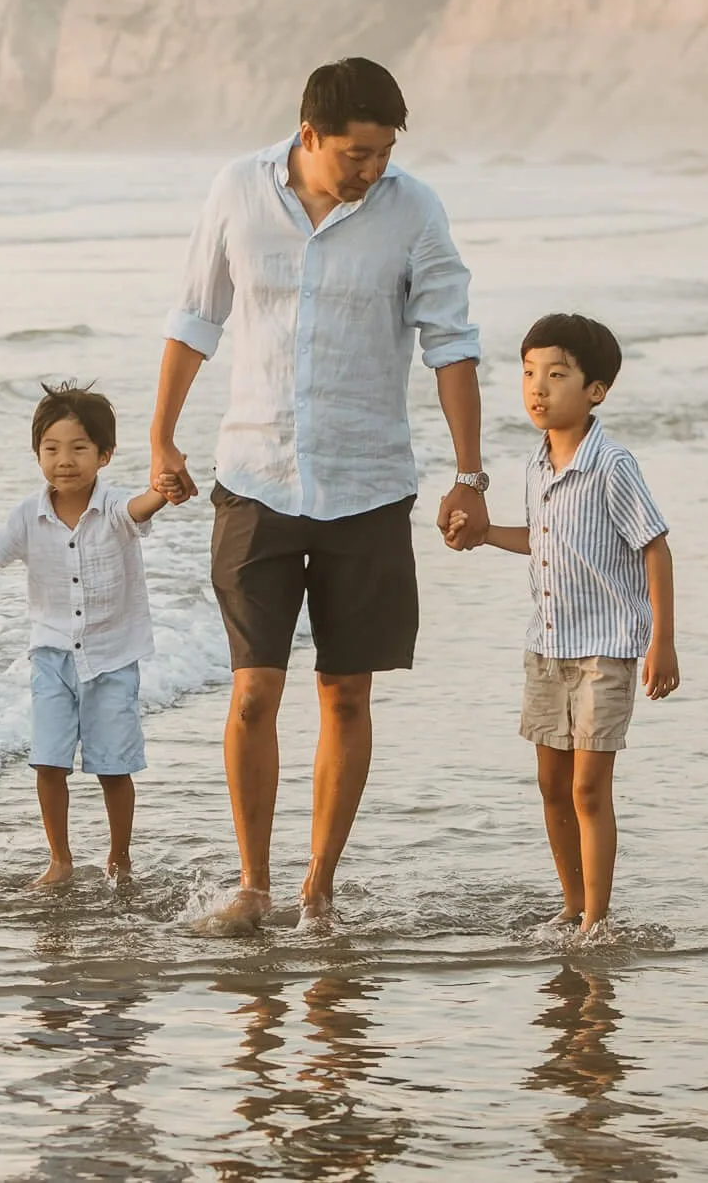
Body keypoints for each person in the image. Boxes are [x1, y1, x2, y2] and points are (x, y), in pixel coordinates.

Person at [150, 56, 487, 933]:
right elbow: (196, 318)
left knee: (345, 691)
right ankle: (254, 884)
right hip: (255, 476)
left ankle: (318, 891)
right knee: (254, 690)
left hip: (369, 482)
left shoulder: (414, 209)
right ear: (308, 135)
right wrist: (160, 434)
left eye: (381, 153)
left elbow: (450, 342)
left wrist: (470, 473)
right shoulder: (236, 190)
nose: (371, 169)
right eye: (354, 153)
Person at [448, 313, 678, 942]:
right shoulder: (536, 465)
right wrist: (484, 534)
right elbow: (542, 540)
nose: (537, 389)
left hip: (606, 650)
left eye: (555, 375)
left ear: (595, 389)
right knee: (550, 785)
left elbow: (654, 547)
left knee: (587, 787)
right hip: (546, 647)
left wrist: (663, 640)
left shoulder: (612, 465)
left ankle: (598, 921)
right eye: (527, 374)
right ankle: (572, 905)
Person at [0, 382, 168, 888]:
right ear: (37, 453)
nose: (65, 460)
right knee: (48, 760)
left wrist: (164, 489)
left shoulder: (112, 510)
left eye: (79, 448)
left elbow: (140, 508)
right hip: (52, 657)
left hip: (111, 659)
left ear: (104, 455)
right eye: (52, 448)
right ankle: (60, 860)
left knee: (113, 767)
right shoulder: (27, 513)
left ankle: (119, 859)